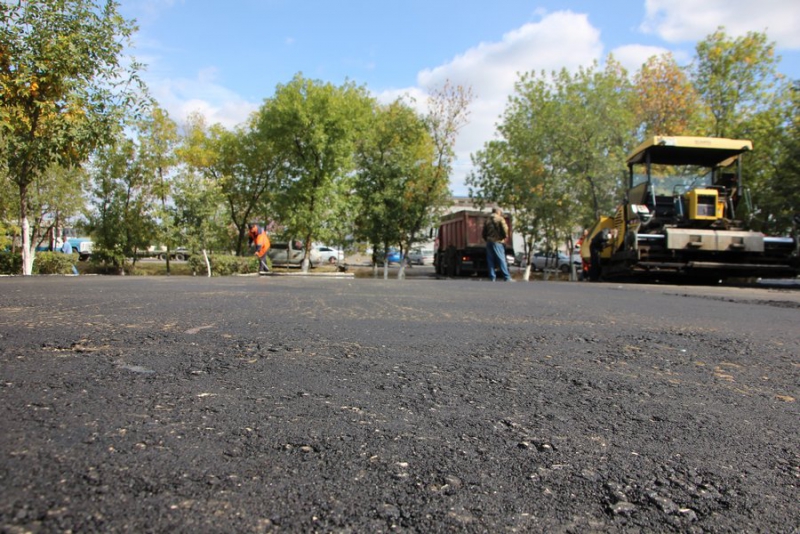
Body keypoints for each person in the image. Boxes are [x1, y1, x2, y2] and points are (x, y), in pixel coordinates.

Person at [482, 207, 513, 282]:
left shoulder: (487, 220)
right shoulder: (500, 219)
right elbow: (505, 229)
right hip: (497, 241)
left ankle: (492, 277)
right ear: (498, 211)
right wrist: (504, 237)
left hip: (489, 242)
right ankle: (507, 277)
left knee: (490, 260)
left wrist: (487, 239)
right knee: (501, 259)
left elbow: (483, 232)